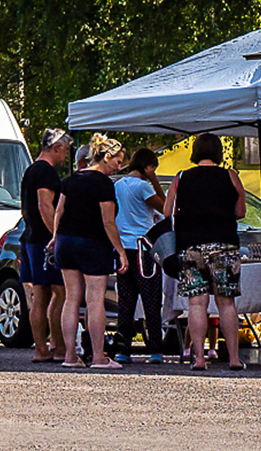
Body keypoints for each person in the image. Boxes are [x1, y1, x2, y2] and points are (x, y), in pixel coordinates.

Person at [164, 133, 247, 371]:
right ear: (218, 152)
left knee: (197, 304)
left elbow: (167, 211)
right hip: (224, 244)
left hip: (191, 246)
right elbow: (240, 211)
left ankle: (199, 358)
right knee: (227, 303)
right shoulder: (230, 175)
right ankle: (233, 358)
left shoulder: (181, 178)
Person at [51, 134, 129, 370]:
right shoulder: (104, 184)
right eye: (117, 160)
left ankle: (70, 357)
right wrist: (121, 251)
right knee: (95, 300)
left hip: (66, 241)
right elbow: (108, 222)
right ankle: (98, 357)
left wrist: (55, 237)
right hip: (92, 242)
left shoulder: (71, 180)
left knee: (71, 299)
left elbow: (59, 211)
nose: (119, 166)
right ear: (106, 157)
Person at [20, 129, 72, 362]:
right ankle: (55, 346)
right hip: (43, 240)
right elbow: (45, 205)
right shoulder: (46, 172)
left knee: (41, 294)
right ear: (57, 147)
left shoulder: (31, 169)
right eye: (66, 150)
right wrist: (56, 235)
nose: (66, 155)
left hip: (30, 237)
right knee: (59, 292)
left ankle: (42, 348)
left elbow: (26, 207)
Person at [112, 148, 167, 364]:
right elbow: (165, 207)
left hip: (123, 248)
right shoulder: (143, 186)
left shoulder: (118, 185)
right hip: (143, 247)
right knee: (151, 299)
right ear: (148, 166)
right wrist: (153, 180)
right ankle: (155, 348)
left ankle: (123, 348)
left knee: (126, 300)